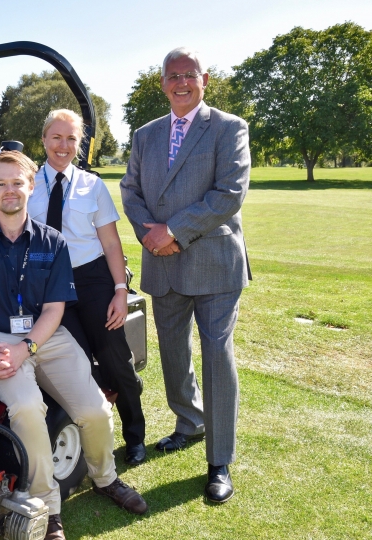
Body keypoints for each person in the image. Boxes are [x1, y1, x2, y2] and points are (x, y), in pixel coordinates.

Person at [0, 151, 147, 540]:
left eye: (17, 182)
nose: (10, 190)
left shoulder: (52, 241)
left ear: (30, 187)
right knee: (26, 408)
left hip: (44, 335)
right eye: (1, 184)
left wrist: (27, 348)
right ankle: (46, 507)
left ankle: (105, 479)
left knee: (96, 410)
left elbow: (55, 309)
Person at [120, 47, 251, 504]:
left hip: (215, 263)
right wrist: (153, 237)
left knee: (217, 358)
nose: (181, 83)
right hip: (164, 265)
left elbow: (229, 194)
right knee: (174, 354)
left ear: (204, 79)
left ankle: (219, 460)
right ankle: (188, 423)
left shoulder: (230, 127)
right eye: (172, 76)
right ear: (162, 83)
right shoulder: (145, 134)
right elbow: (130, 189)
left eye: (189, 75)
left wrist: (173, 231)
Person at [28, 109, 147, 466]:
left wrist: (120, 291)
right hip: (50, 285)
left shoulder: (91, 185)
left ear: (80, 145)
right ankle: (93, 432)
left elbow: (110, 244)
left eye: (71, 139)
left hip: (92, 279)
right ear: (44, 140)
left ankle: (135, 434)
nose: (63, 146)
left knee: (115, 356)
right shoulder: (29, 182)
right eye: (56, 137)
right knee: (77, 363)